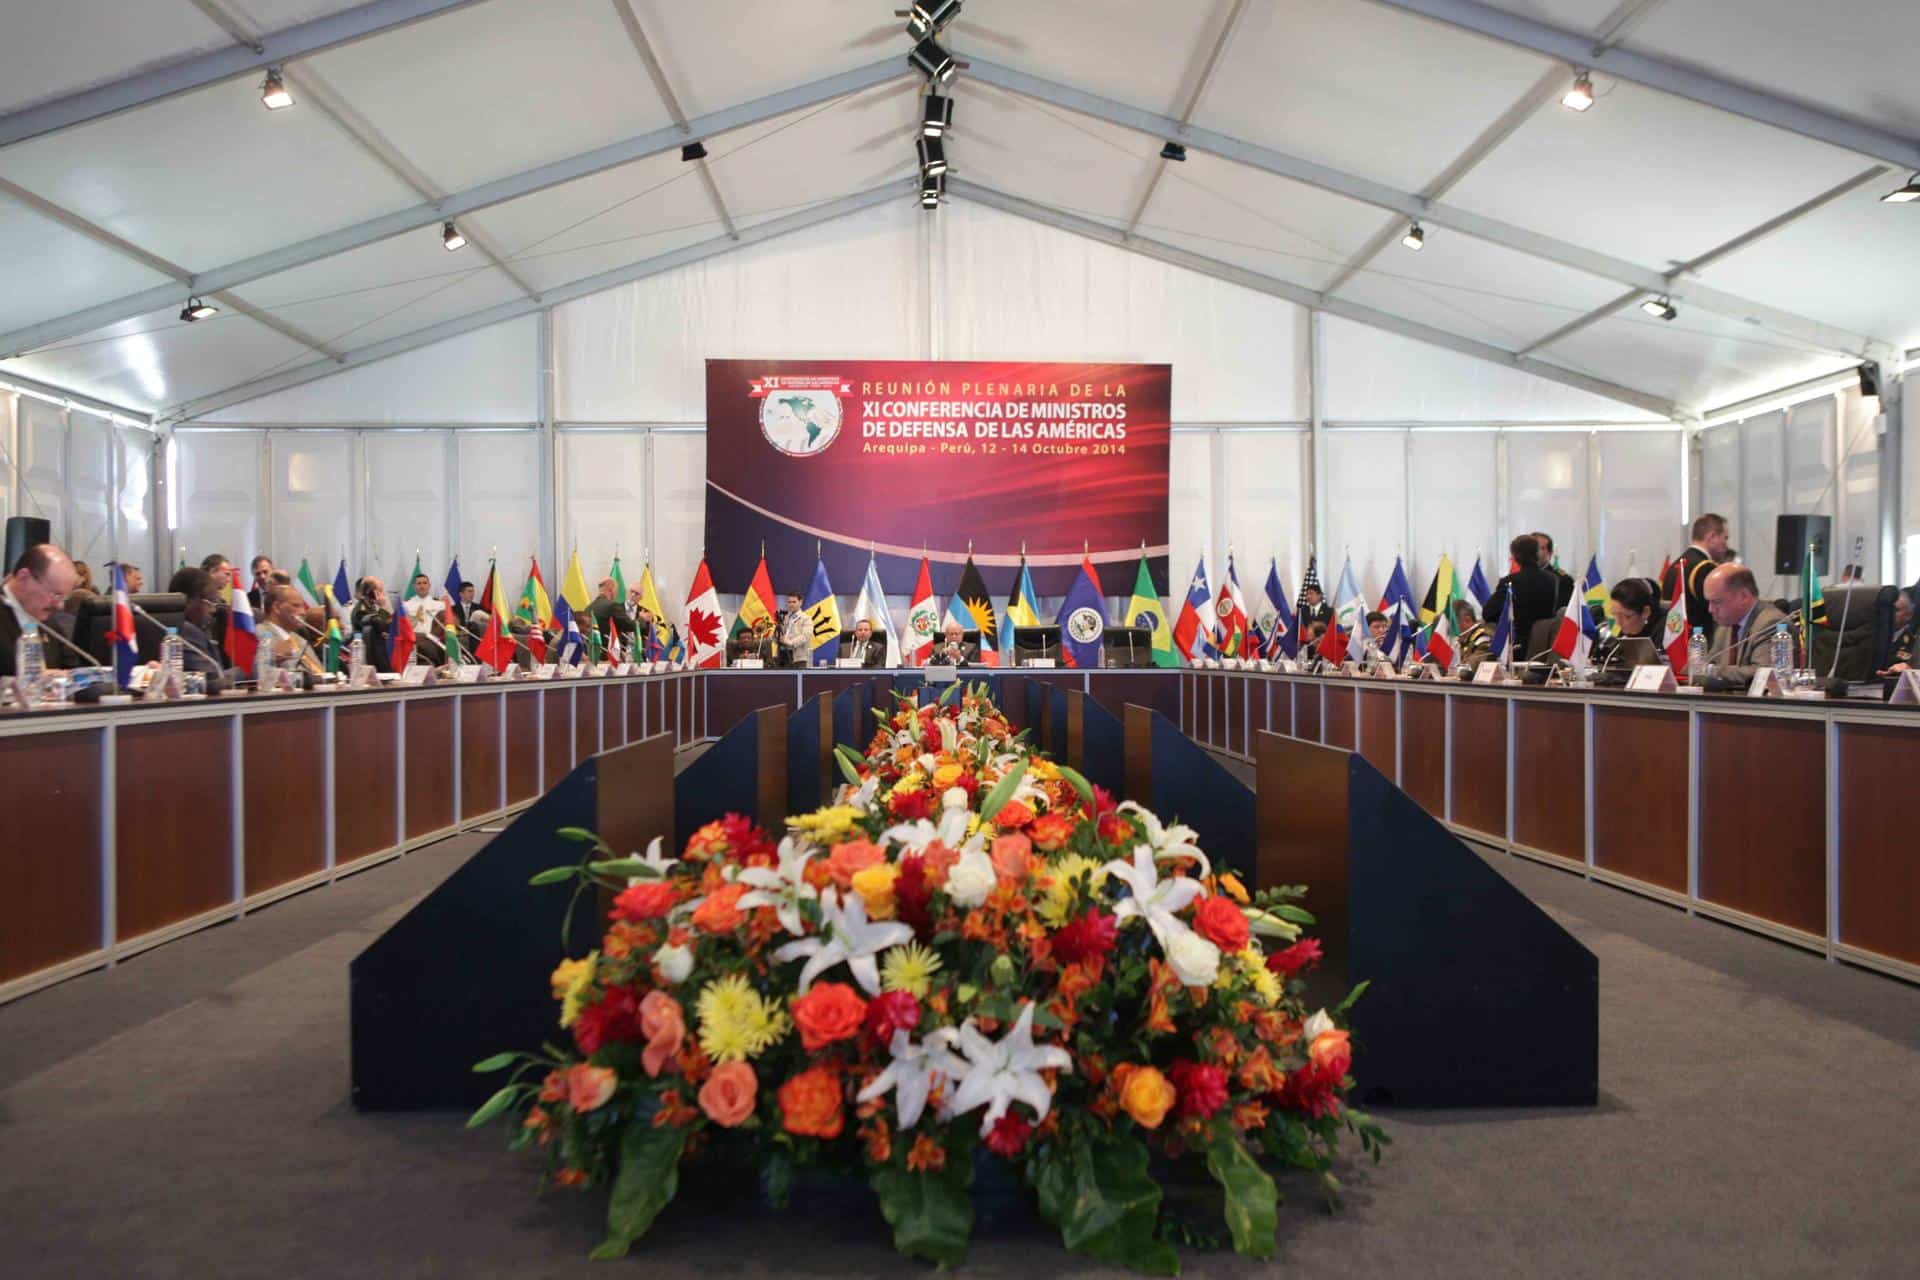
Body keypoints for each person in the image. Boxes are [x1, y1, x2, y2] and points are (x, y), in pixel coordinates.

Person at [1, 542, 82, 677]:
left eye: (64, 597)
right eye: (55, 594)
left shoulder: (49, 623)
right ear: (23, 578)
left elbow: (72, 669)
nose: (60, 605)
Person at [1702, 563, 1789, 678]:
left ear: (1744, 596)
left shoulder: (1772, 623)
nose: (1710, 609)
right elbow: (1704, 666)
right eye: (1709, 602)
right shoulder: (1726, 625)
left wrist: (1712, 672)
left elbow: (1762, 673)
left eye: (1717, 602)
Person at [1484, 535, 1560, 661]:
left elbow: (1488, 613)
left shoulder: (1509, 582)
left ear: (1515, 557)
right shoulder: (1553, 579)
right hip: (1546, 646)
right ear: (1536, 553)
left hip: (1517, 648)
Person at [167, 566, 235, 692]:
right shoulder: (186, 631)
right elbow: (211, 681)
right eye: (209, 601)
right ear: (187, 601)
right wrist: (251, 669)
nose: (213, 609)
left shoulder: (201, 629)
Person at [1664, 513, 1729, 641]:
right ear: (1712, 536)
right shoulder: (1704, 568)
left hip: (1675, 641)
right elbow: (1720, 612)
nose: (1726, 544)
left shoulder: (1674, 566)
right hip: (1699, 645)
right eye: (1725, 538)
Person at [1591, 578, 1659, 671]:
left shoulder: (1664, 630)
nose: (1618, 623)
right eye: (1614, 614)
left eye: (1626, 616)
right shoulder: (1626, 631)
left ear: (1645, 612)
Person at [258, 585, 323, 678]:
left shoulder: (299, 640)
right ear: (276, 607)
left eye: (303, 607)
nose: (303, 612)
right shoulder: (257, 634)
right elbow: (251, 671)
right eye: (296, 606)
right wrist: (273, 657)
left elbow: (320, 674)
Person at [350, 576, 393, 672]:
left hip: (377, 652)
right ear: (370, 592)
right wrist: (383, 607)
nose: (383, 595)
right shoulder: (361, 610)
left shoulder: (371, 607)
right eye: (380, 591)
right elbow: (381, 626)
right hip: (367, 656)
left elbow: (388, 627)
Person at [1876, 586, 1913, 680]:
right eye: (1888, 610)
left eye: (1896, 610)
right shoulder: (1874, 634)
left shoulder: (1913, 640)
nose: (1890, 613)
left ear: (1909, 615)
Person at [1532, 531, 1576, 609]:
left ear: (1550, 553)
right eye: (1532, 548)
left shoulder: (1563, 580)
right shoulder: (1517, 578)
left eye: (1541, 548)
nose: (1536, 552)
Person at [589, 578, 633, 656]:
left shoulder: (588, 607)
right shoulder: (612, 606)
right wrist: (642, 619)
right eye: (616, 591)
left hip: (592, 654)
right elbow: (629, 625)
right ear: (611, 590)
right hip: (609, 656)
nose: (616, 594)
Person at [1452, 598, 1490, 666]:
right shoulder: (1460, 641)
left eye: (1453, 624)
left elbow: (1475, 666)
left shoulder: (1483, 638)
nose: (1451, 629)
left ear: (1467, 620)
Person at [778, 592, 812, 667]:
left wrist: (791, 642)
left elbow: (806, 636)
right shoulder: (785, 617)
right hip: (784, 655)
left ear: (800, 602)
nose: (791, 604)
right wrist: (778, 636)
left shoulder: (806, 618)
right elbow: (781, 633)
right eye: (789, 602)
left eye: (794, 602)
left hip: (799, 657)